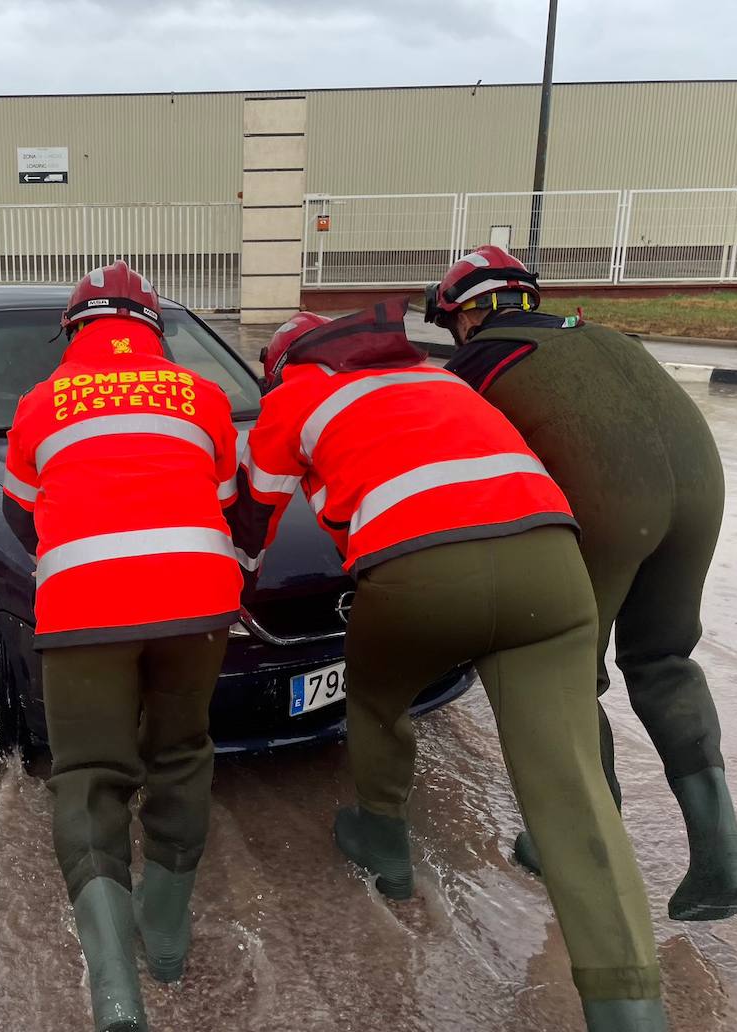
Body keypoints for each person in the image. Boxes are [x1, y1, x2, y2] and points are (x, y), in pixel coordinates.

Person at [232, 302, 666, 1032]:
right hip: (552, 568)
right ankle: (631, 1008)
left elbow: (252, 523)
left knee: (374, 703)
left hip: (418, 577)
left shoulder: (298, 400)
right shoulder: (443, 380)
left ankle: (384, 842)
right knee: (571, 786)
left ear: (282, 369)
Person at [428, 245, 737, 923]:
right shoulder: (608, 336)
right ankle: (723, 851)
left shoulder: (472, 367)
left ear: (464, 315)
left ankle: (582, 844)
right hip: (702, 487)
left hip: (611, 500)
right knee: (664, 657)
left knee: (566, 674)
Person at [2, 260, 241, 1032]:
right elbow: (227, 501)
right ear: (155, 331)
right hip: (199, 602)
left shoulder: (40, 403)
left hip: (84, 607)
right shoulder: (202, 396)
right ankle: (167, 938)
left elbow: (20, 516)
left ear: (72, 331)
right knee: (181, 751)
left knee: (88, 776)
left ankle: (116, 991)